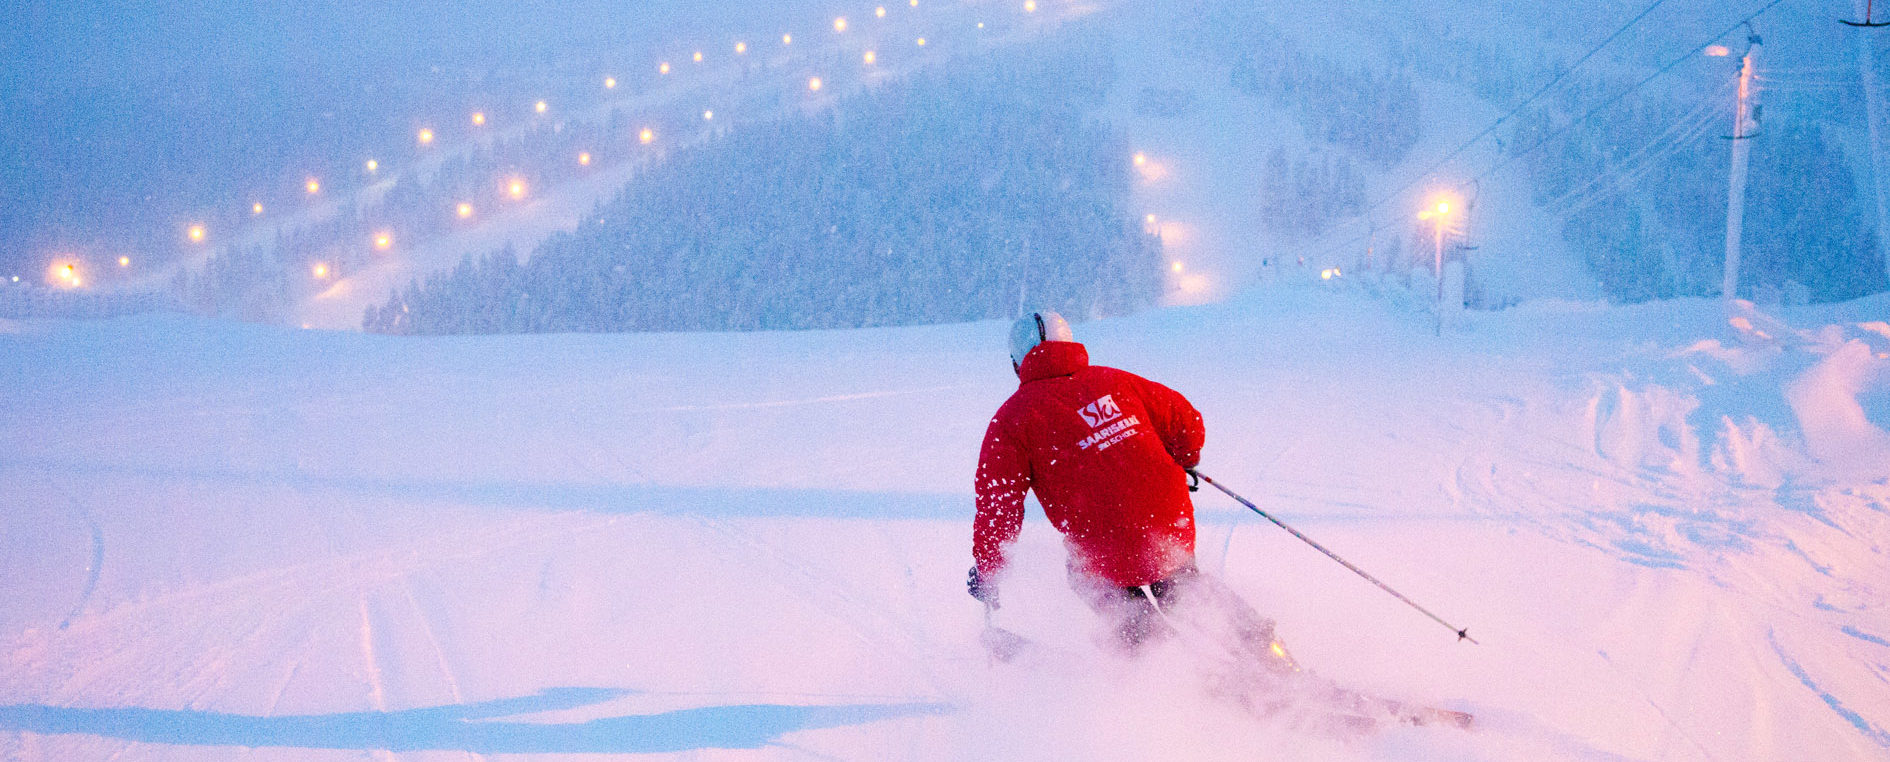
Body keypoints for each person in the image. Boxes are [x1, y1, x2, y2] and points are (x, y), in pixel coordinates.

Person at [968, 311, 1287, 664]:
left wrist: (989, 571)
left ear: (1016, 365)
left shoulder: (1011, 420)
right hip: (1166, 518)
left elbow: (998, 507)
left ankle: (1160, 662)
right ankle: (1268, 654)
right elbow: (1186, 421)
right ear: (1070, 344)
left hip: (1100, 543)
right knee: (1181, 584)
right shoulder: (1118, 382)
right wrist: (1185, 457)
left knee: (1097, 583)